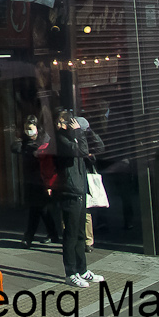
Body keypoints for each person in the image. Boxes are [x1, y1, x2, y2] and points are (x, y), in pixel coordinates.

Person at [52, 109, 103, 288]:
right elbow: (81, 151)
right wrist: (80, 134)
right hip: (70, 190)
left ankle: (82, 270)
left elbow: (99, 147)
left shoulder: (76, 136)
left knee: (81, 233)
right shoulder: (61, 140)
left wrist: (87, 131)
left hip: (80, 189)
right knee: (71, 234)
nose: (63, 125)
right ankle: (71, 272)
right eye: (65, 122)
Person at [12, 114, 60, 249]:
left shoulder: (44, 140)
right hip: (30, 179)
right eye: (26, 129)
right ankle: (53, 233)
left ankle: (28, 237)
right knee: (41, 209)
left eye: (31, 128)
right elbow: (14, 148)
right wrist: (20, 139)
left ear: (37, 128)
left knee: (36, 209)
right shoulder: (24, 141)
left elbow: (46, 155)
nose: (29, 131)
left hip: (42, 179)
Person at [78, 116, 105, 250]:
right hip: (76, 173)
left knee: (86, 209)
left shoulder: (87, 136)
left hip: (86, 173)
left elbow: (100, 148)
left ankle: (88, 241)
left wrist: (89, 131)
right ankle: (76, 239)